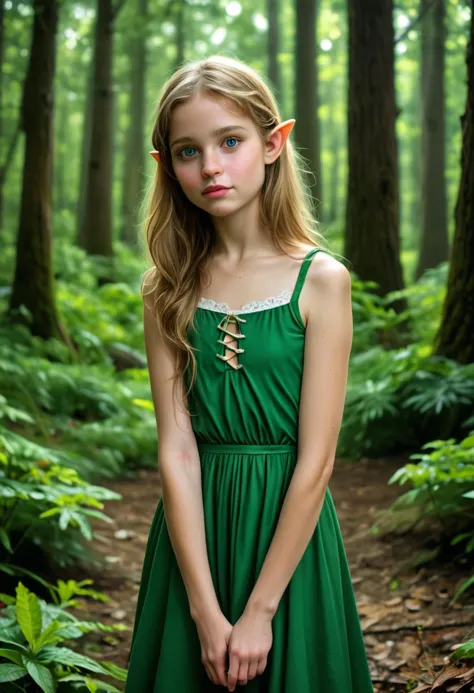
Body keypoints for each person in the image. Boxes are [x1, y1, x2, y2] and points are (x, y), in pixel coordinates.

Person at [125, 55, 373, 693]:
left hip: (289, 543)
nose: (210, 166)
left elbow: (317, 461)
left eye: (229, 142)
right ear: (166, 165)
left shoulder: (321, 281)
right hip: (195, 541)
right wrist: (206, 613)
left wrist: (260, 610)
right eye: (188, 150)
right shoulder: (166, 289)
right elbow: (177, 451)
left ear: (272, 143)